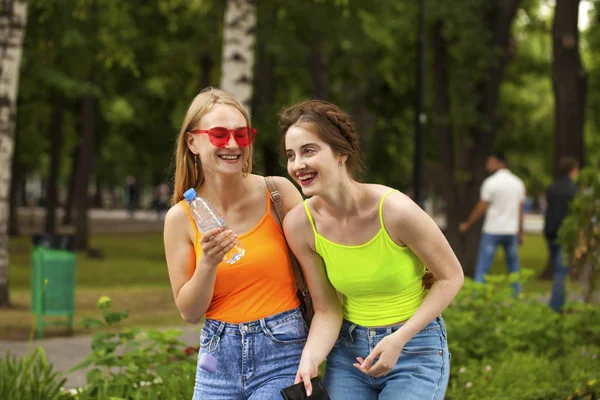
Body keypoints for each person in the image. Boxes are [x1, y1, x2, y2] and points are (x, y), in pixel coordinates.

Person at [280, 100, 464, 400]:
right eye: (291, 155)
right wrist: (311, 357)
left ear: (341, 153)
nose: (297, 164)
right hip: (349, 353)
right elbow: (327, 309)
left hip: (415, 347)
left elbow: (451, 277)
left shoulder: (395, 211)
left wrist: (399, 339)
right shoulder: (300, 225)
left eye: (309, 150)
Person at [163, 87, 311, 400]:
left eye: (241, 135)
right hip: (217, 360)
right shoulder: (180, 218)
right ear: (192, 142)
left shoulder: (278, 194)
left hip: (282, 352)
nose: (232, 144)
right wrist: (208, 263)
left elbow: (322, 264)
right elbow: (190, 312)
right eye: (218, 134)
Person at [459, 152, 526, 295]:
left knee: (483, 267)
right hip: (511, 231)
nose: (487, 165)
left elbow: (481, 208)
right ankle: (516, 296)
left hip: (492, 230)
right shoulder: (518, 183)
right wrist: (521, 232)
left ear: (499, 162)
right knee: (514, 268)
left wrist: (468, 224)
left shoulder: (490, 183)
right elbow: (521, 211)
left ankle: (477, 296)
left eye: (490, 162)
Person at [543, 156, 579, 311]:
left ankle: (560, 303)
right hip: (565, 235)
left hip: (550, 232)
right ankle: (555, 308)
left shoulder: (552, 188)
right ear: (573, 171)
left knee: (559, 270)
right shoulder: (575, 191)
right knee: (561, 273)